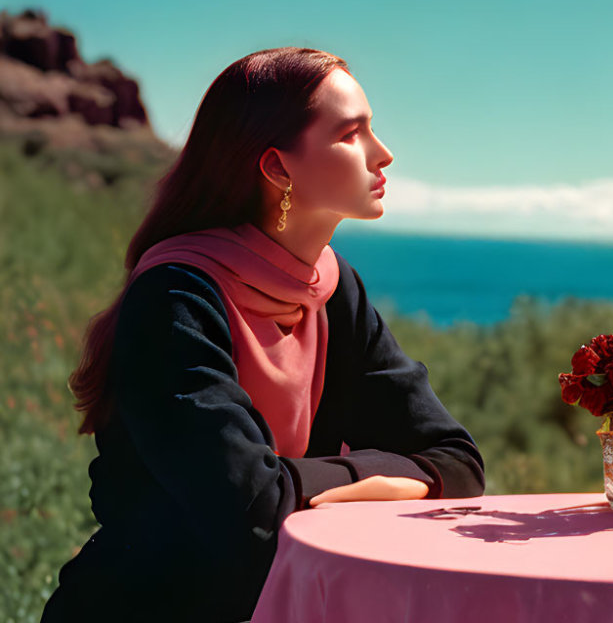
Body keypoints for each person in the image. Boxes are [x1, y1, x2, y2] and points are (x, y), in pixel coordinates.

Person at [41, 48, 485, 622]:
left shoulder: (331, 287)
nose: (384, 154)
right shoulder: (176, 299)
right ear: (277, 169)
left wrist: (322, 484)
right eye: (352, 134)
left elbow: (457, 462)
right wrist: (390, 475)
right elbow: (251, 507)